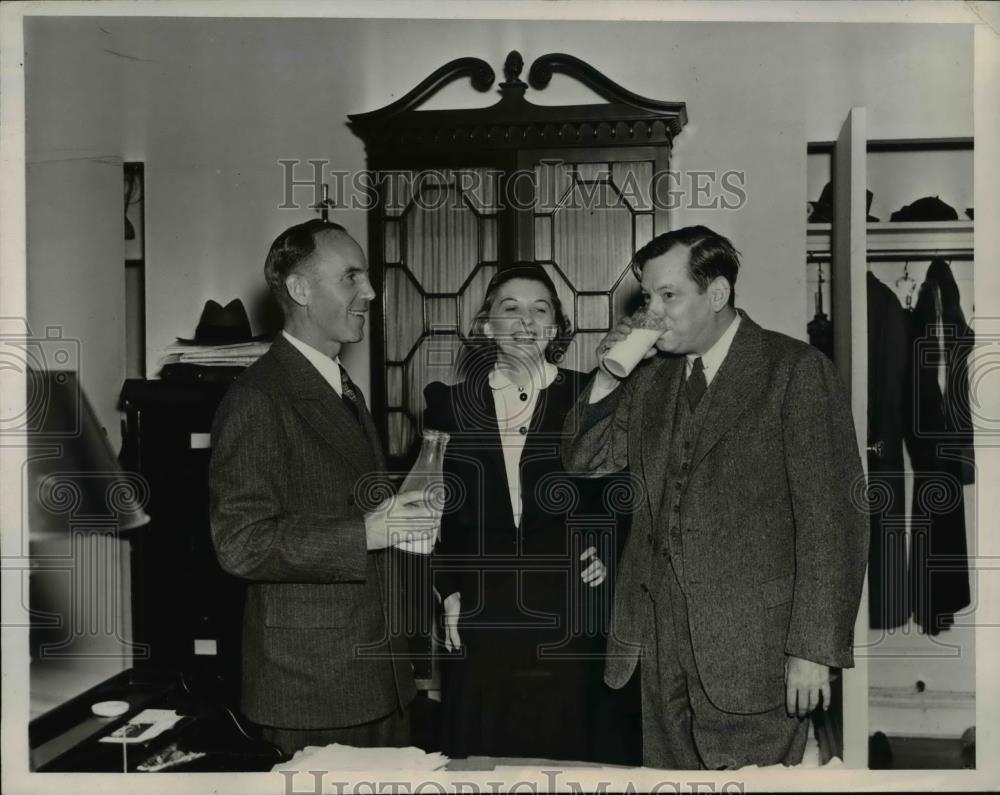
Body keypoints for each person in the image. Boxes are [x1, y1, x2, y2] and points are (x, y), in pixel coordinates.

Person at [562, 226, 868, 769]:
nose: (650, 314)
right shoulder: (651, 377)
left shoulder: (793, 371)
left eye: (667, 296)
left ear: (718, 293)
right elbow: (585, 460)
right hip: (655, 645)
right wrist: (606, 380)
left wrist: (812, 651)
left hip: (757, 650)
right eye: (646, 298)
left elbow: (833, 523)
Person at [209, 219, 437, 755]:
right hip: (312, 690)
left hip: (373, 674)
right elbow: (240, 542)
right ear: (300, 289)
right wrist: (366, 532)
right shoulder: (258, 398)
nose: (371, 292)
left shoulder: (338, 385)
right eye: (352, 277)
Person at [426, 263, 639, 763]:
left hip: (572, 604)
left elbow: (624, 491)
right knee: (486, 761)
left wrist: (606, 548)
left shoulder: (593, 394)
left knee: (574, 757)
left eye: (540, 309)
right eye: (511, 308)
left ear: (557, 327)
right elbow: (438, 513)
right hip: (485, 609)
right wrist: (449, 588)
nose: (526, 320)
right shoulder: (448, 406)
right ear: (485, 326)